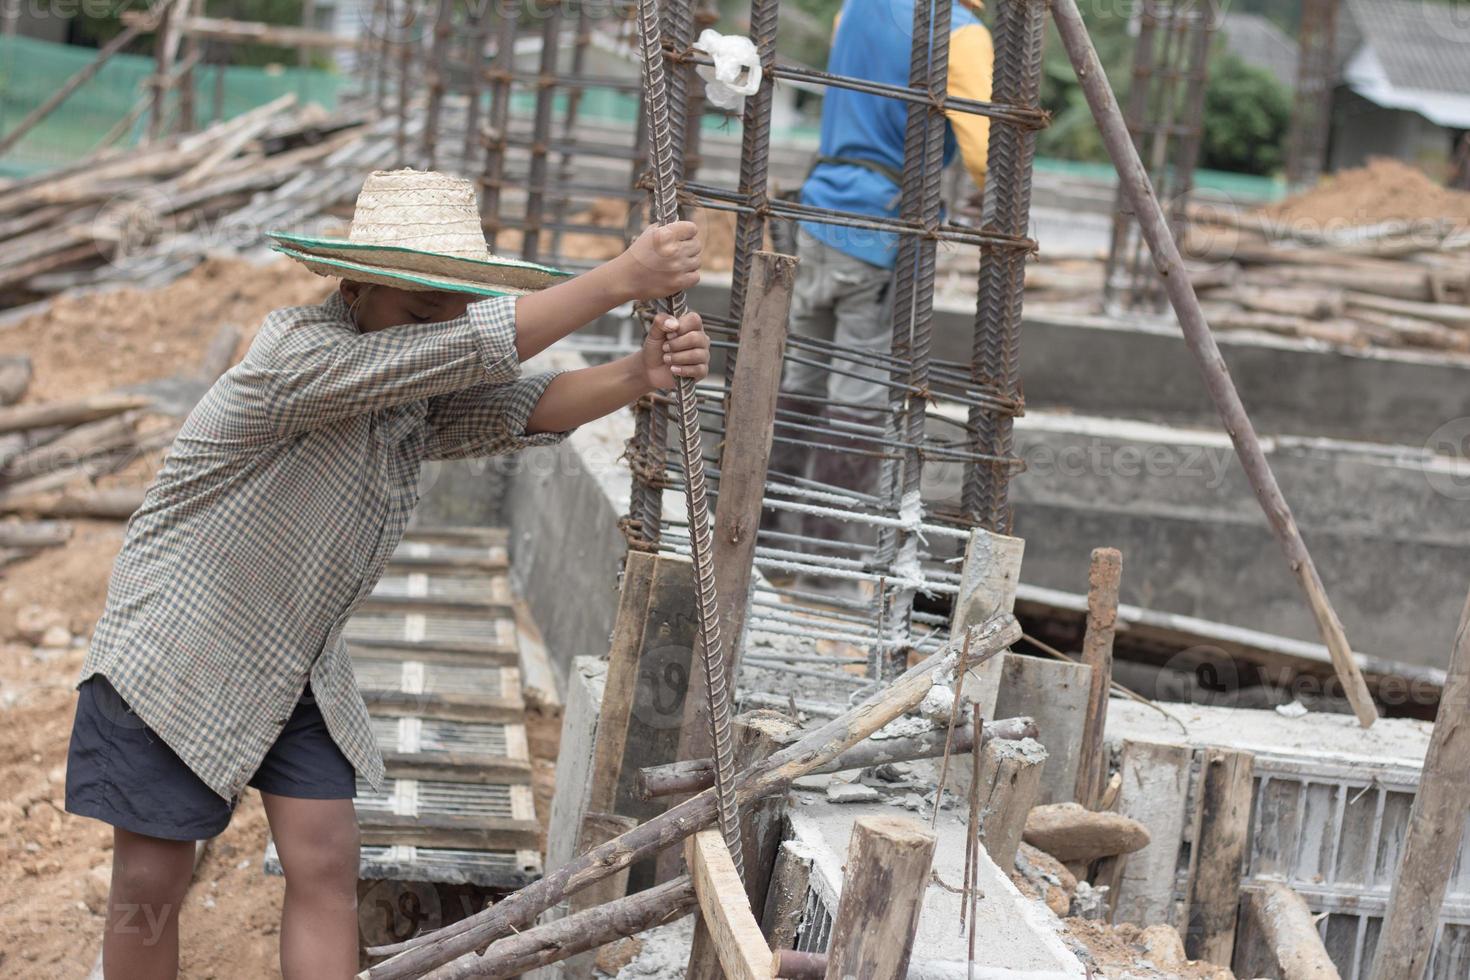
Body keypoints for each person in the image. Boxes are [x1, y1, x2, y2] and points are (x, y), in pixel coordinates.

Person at [63, 168, 709, 979]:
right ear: (357, 284)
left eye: (451, 309)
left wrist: (638, 375)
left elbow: (517, 405)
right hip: (178, 652)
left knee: (327, 863)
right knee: (151, 882)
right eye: (415, 311)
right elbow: (464, 352)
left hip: (293, 661)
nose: (433, 331)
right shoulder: (297, 358)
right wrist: (621, 279)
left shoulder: (411, 394)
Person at [765, 0, 993, 585]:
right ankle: (822, 567)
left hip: (816, 218)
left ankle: (759, 540)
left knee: (797, 386)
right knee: (857, 403)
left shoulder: (858, 9)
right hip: (879, 231)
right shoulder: (961, 34)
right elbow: (988, 154)